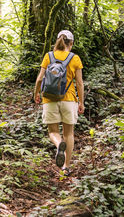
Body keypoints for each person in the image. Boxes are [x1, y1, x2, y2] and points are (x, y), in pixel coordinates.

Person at [34, 30, 84, 176]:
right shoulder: (74, 58)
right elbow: (79, 83)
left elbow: (39, 79)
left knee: (53, 132)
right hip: (69, 100)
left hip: (49, 99)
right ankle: (66, 167)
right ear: (71, 43)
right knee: (69, 134)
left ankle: (58, 145)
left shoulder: (48, 56)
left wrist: (36, 93)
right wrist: (81, 102)